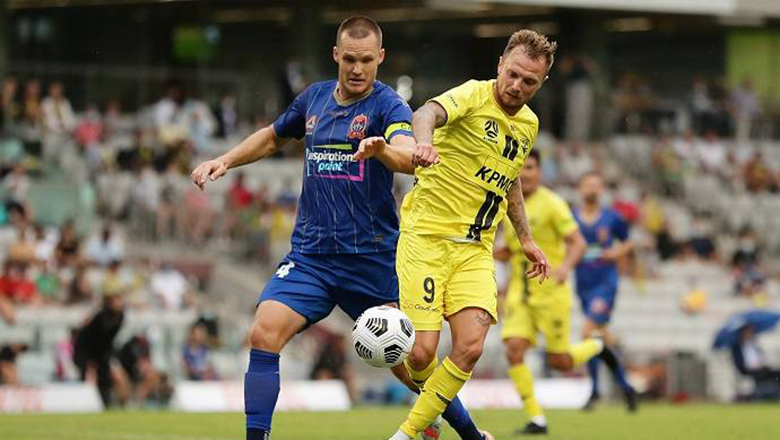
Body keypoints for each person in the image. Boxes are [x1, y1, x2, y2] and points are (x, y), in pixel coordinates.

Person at [190, 16, 485, 440]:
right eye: (349, 59)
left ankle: (472, 435)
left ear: (380, 58)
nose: (358, 69)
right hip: (311, 256)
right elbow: (273, 136)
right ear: (336, 55)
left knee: (413, 364)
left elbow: (407, 154)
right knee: (263, 332)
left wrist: (384, 149)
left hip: (373, 256)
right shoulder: (312, 100)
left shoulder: (388, 106)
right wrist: (225, 160)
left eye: (367, 60)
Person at [387, 29, 553, 440]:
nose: (517, 86)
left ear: (542, 82)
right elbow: (426, 112)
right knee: (422, 354)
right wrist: (422, 144)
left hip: (475, 249)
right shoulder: (473, 96)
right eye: (512, 74)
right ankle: (467, 433)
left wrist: (527, 240)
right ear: (500, 63)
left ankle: (406, 433)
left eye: (529, 81)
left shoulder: (528, 125)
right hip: (425, 238)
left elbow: (510, 179)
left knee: (471, 345)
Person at [496, 149, 609, 434]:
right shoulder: (507, 201)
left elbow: (578, 243)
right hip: (520, 294)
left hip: (551, 293)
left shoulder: (553, 204)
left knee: (559, 362)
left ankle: (598, 345)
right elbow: (513, 247)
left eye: (530, 168)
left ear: (540, 172)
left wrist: (564, 268)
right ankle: (537, 418)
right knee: (513, 350)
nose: (525, 174)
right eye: (521, 168)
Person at [573, 172, 638, 411]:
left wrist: (617, 253)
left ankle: (595, 391)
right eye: (587, 184)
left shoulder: (612, 218)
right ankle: (626, 387)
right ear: (580, 188)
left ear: (601, 190)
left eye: (596, 185)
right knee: (601, 339)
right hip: (583, 285)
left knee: (587, 332)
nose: (591, 189)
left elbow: (629, 241)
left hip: (605, 285)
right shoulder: (571, 218)